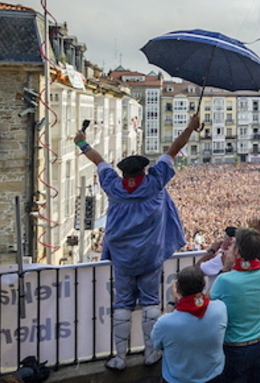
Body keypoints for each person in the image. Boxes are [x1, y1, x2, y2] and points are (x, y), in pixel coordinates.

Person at [74, 113, 199, 370]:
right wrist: (191, 127)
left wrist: (81, 143)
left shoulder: (113, 185)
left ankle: (119, 357)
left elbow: (98, 160)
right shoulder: (154, 183)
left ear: (124, 172)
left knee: (122, 303)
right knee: (151, 302)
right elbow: (174, 149)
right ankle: (150, 353)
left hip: (122, 256)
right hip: (150, 255)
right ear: (144, 170)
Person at [209, 227, 260, 382]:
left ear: (237, 252)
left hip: (236, 348)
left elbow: (207, 302)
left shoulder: (225, 280)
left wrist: (225, 268)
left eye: (233, 245)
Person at [151, 265, 228, 383]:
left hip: (178, 379)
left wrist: (172, 302)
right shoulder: (220, 308)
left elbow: (156, 344)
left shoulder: (165, 323)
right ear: (204, 285)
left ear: (177, 290)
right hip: (213, 375)